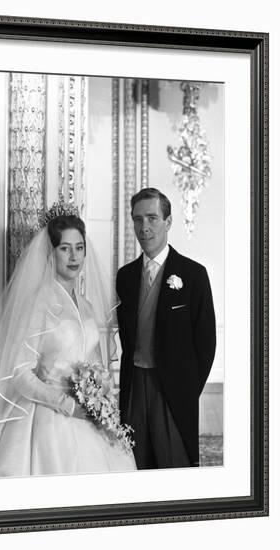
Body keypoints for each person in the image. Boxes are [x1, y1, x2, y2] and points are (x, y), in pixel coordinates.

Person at [0, 203, 137, 478]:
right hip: (47, 417)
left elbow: (94, 364)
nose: (73, 256)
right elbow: (19, 373)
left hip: (88, 414)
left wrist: (99, 399)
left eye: (79, 248)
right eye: (64, 248)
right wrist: (67, 405)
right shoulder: (38, 303)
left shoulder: (87, 306)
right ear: (50, 253)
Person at [116, 187, 216, 469]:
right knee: (134, 463)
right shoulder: (125, 277)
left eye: (152, 218)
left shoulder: (193, 275)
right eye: (137, 219)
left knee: (174, 465)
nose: (144, 227)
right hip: (134, 385)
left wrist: (185, 388)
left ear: (168, 222)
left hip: (172, 388)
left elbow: (206, 342)